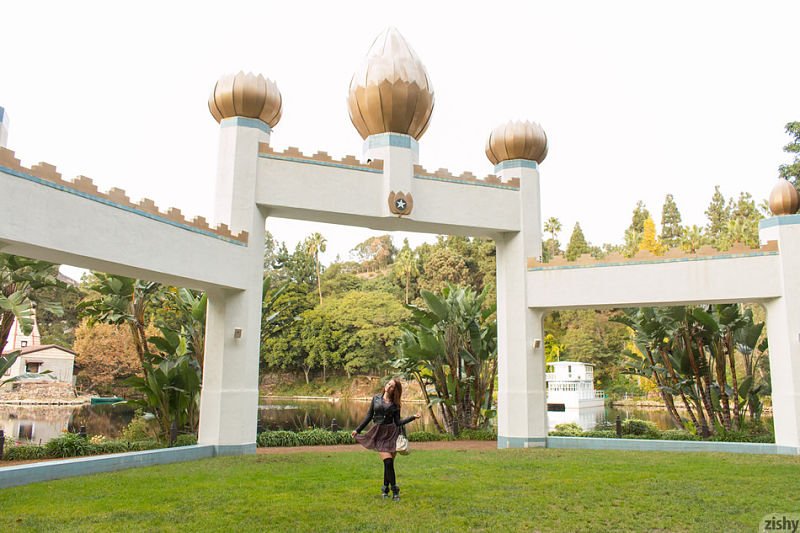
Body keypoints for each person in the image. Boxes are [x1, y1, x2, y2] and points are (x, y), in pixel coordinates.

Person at [352, 379, 421, 501]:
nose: (389, 387)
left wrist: (412, 417)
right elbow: (369, 416)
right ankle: (395, 491)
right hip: (379, 433)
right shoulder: (376, 398)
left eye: (392, 386)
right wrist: (357, 430)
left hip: (392, 434)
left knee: (388, 464)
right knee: (388, 462)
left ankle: (385, 489)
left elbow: (398, 422)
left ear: (395, 390)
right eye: (389, 384)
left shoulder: (395, 404)